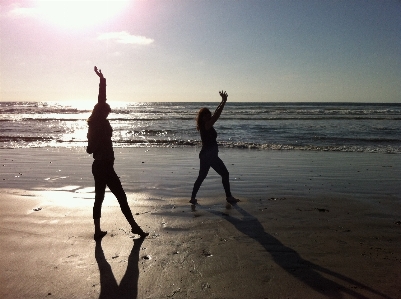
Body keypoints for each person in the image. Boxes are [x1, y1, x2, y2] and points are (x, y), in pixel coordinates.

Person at [87, 66, 148, 240]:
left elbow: (89, 148)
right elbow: (90, 148)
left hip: (99, 166)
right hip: (104, 166)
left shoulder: (94, 124)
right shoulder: (98, 123)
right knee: (120, 196)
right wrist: (98, 144)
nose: (107, 114)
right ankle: (134, 227)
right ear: (101, 112)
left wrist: (102, 80)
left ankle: (97, 231)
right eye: (106, 112)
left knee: (100, 197)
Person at [190, 90, 239, 206]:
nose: (208, 115)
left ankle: (192, 198)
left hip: (205, 155)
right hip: (209, 155)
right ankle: (229, 197)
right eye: (205, 114)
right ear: (202, 118)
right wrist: (223, 101)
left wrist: (222, 102)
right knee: (225, 174)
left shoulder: (205, 125)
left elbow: (215, 113)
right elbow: (217, 115)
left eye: (208, 114)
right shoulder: (206, 125)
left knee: (202, 176)